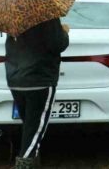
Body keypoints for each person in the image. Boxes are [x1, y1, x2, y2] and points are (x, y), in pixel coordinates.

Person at [5, 18, 69, 169]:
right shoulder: (47, 16)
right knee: (34, 134)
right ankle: (24, 165)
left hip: (16, 80)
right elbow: (58, 44)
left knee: (30, 128)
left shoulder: (11, 16)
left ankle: (33, 162)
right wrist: (64, 32)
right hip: (39, 80)